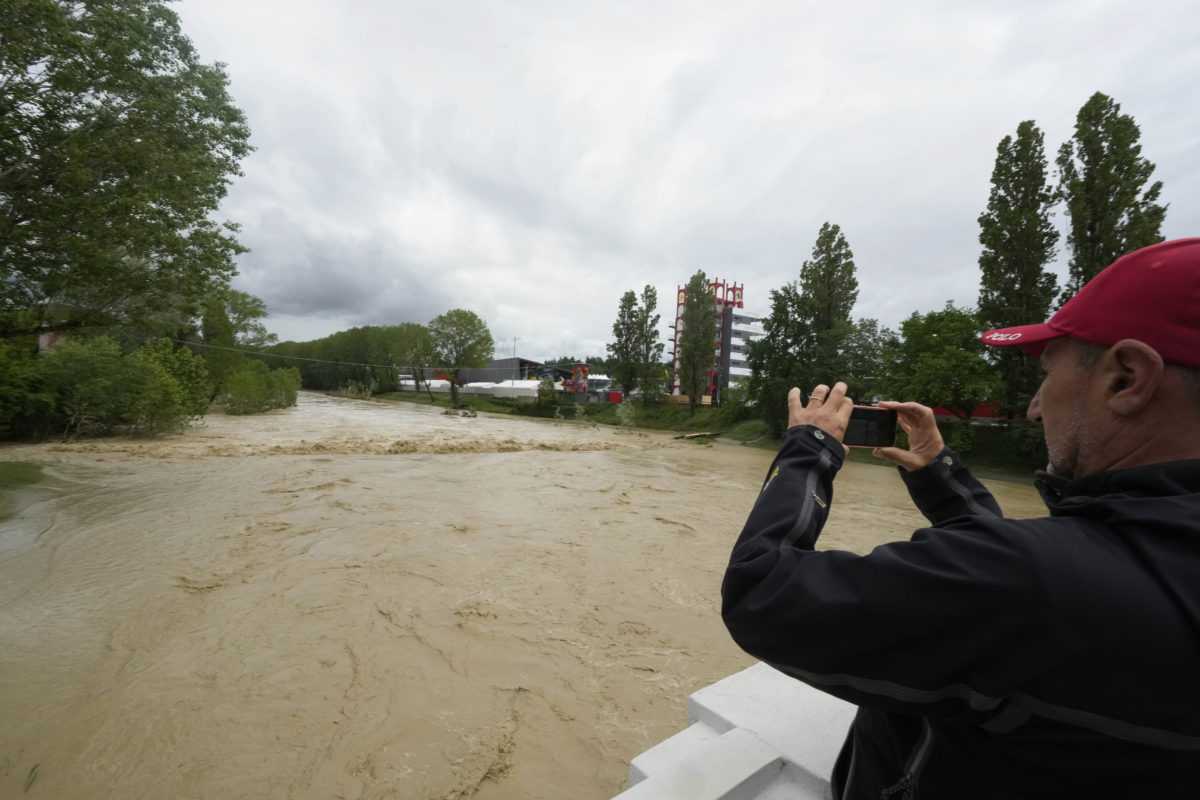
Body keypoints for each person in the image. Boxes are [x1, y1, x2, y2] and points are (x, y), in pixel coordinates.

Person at [721, 238, 1200, 799]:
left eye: (1049, 373)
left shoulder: (1026, 584)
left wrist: (809, 449)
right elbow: (1048, 566)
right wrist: (939, 475)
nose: (1035, 407)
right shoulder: (1143, 557)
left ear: (1126, 378)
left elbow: (761, 593)